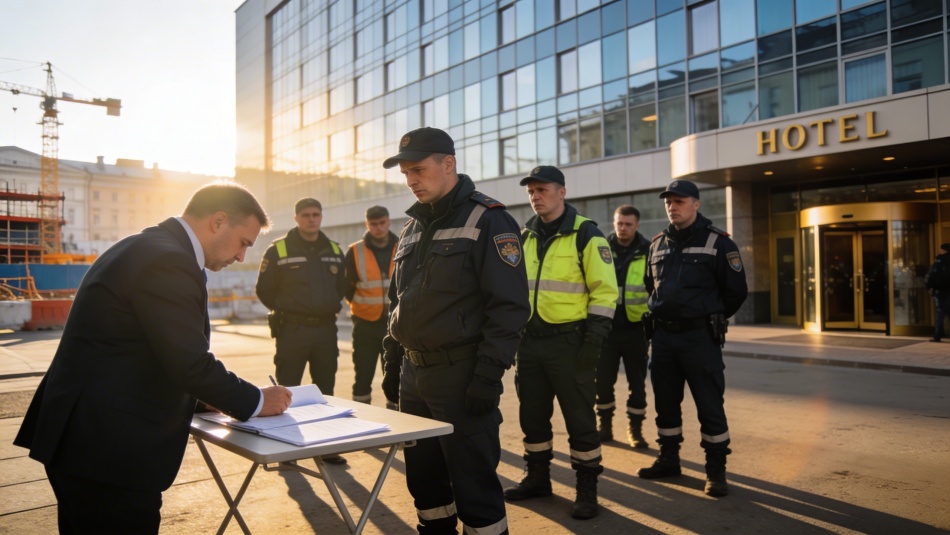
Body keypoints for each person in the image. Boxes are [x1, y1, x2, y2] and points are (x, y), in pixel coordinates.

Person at [13, 182, 293, 534]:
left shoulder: (146, 245)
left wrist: (202, 398)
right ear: (218, 221)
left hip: (88, 440)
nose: (241, 257)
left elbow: (142, 347)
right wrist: (255, 400)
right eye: (243, 243)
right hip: (107, 452)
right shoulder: (169, 261)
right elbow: (190, 362)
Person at [379, 126, 530, 534]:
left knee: (474, 487)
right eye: (405, 172)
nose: (411, 180)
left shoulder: (489, 219)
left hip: (461, 376)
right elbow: (398, 300)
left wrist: (487, 375)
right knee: (426, 486)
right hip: (415, 377)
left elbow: (510, 307)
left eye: (418, 169)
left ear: (449, 164)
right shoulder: (411, 229)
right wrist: (392, 361)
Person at [503, 165, 618, 520]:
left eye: (542, 190)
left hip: (571, 343)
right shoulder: (524, 236)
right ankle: (538, 479)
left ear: (562, 192)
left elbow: (605, 292)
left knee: (580, 420)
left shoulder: (588, 234)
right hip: (531, 343)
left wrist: (593, 343)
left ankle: (587, 490)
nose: (536, 197)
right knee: (532, 417)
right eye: (531, 192)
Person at [637, 180, 748, 498]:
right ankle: (668, 460)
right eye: (668, 202)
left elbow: (736, 292)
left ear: (696, 204)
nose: (672, 206)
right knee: (665, 405)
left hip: (700, 338)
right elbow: (651, 286)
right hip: (662, 338)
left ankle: (716, 471)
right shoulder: (657, 244)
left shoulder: (719, 243)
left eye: (679, 201)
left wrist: (706, 316)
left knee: (710, 406)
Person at [256, 197, 347, 392]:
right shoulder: (278, 251)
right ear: (296, 218)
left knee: (326, 391)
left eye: (315, 215)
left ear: (321, 217)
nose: (311, 219)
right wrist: (285, 308)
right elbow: (264, 290)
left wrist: (325, 305)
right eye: (306, 215)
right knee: (287, 391)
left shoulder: (334, 250)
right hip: (292, 330)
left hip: (326, 330)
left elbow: (341, 287)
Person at [595, 205, 652, 449]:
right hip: (606, 329)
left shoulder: (648, 250)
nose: (623, 228)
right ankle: (604, 426)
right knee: (602, 383)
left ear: (637, 225)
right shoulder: (601, 248)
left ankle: (635, 430)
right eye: (619, 223)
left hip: (636, 330)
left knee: (637, 384)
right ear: (614, 222)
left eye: (628, 224)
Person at [343, 205, 398, 406]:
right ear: (367, 224)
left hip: (395, 326)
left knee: (394, 378)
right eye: (374, 224)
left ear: (388, 221)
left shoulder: (402, 246)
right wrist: (363, 309)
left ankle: (397, 423)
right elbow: (347, 288)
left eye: (382, 223)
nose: (378, 228)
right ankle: (362, 420)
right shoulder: (355, 252)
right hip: (365, 325)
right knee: (362, 378)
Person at [925, 243, 950, 342]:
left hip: (942, 291)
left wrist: (932, 286)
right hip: (944, 290)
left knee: (941, 311)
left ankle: (938, 334)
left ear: (944, 250)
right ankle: (938, 334)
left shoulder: (941, 260)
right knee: (942, 312)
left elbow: (933, 275)